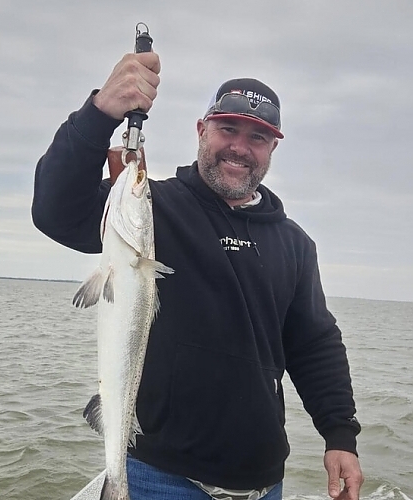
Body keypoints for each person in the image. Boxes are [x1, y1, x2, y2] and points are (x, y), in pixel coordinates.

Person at [32, 51, 364, 500]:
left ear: (272, 149)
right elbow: (56, 210)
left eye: (258, 137)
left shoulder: (295, 243)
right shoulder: (147, 207)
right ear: (201, 130)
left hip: (264, 479)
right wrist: (99, 114)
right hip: (160, 475)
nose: (241, 147)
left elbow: (314, 343)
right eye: (228, 129)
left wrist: (340, 434)